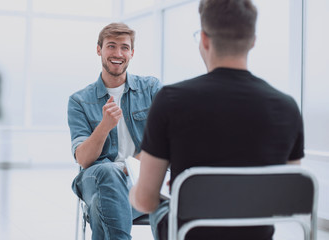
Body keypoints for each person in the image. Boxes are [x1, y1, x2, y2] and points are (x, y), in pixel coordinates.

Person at [129, 0, 304, 239]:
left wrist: (170, 192)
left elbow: (146, 201)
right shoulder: (287, 107)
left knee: (157, 207)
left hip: (190, 234)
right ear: (252, 41)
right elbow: (288, 199)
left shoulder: (171, 100)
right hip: (256, 236)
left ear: (204, 39)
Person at [68, 22, 162, 240]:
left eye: (124, 47)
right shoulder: (79, 100)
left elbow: (169, 139)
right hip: (97, 178)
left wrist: (132, 166)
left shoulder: (151, 89)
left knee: (101, 207)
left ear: (132, 52)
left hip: (142, 179)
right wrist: (104, 126)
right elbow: (83, 158)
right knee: (109, 172)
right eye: (111, 46)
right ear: (99, 49)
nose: (118, 53)